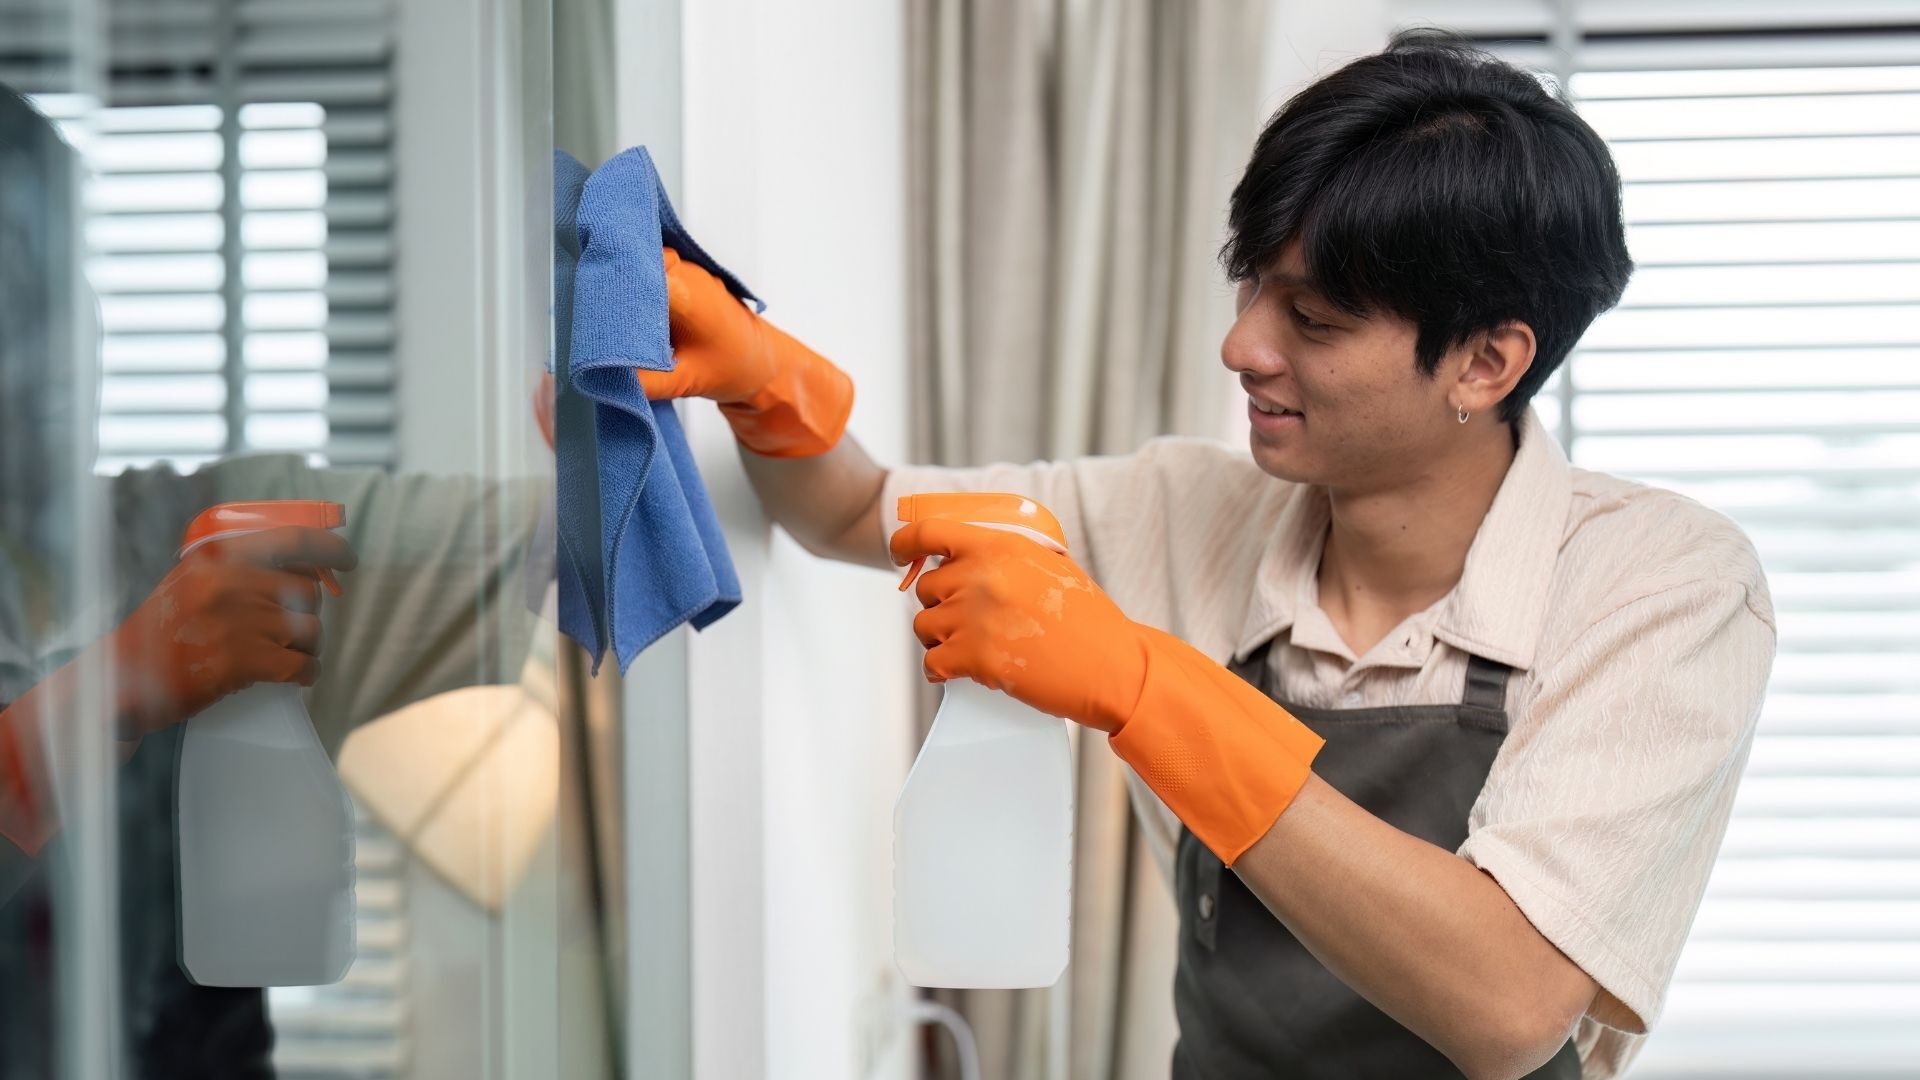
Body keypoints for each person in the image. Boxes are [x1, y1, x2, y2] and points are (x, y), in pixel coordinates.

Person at [645, 29, 1776, 1080]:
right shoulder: (1185, 507)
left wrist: (1150, 691)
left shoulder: (1665, 585)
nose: (1242, 346)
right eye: (1250, 288)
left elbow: (1507, 1001)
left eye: (1314, 319)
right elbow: (848, 514)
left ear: (1485, 363)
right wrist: (767, 388)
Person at [0, 86, 545, 1077]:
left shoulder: (213, 536)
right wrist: (105, 695)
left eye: (61, 279)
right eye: (9, 292)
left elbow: (590, 549)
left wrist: (666, 431)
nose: (52, 352)